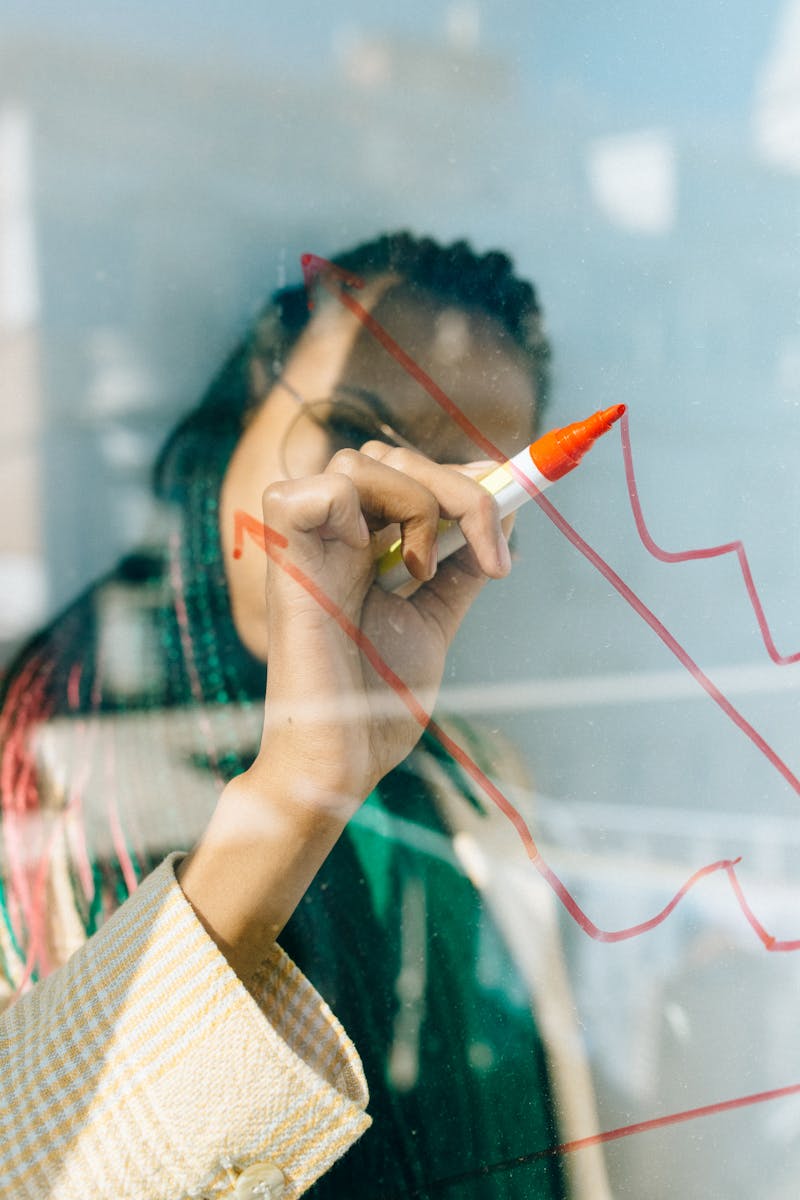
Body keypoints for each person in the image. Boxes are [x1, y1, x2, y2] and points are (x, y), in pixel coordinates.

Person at [0, 233, 607, 1199]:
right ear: (246, 403)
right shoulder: (32, 751)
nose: (388, 508)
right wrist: (297, 793)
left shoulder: (485, 797)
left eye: (462, 492)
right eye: (349, 425)